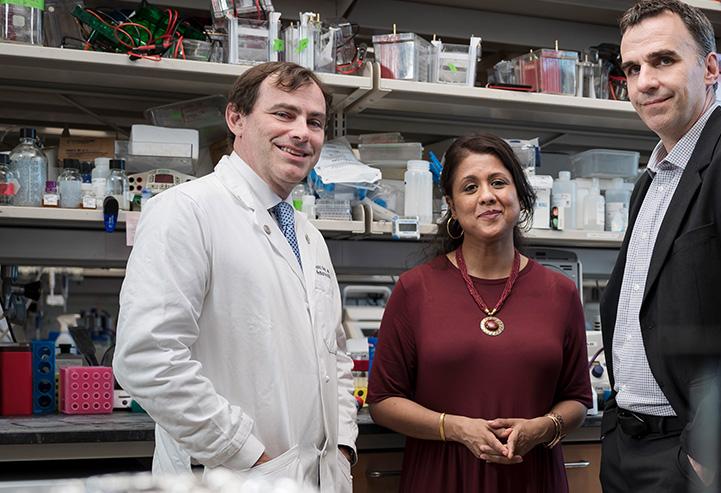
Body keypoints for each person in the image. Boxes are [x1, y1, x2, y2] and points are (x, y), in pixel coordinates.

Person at [114, 62, 358, 491]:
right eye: (284, 114)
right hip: (229, 476)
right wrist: (248, 456)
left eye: (314, 121)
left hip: (316, 478)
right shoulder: (185, 210)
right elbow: (148, 358)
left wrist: (341, 448)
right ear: (236, 119)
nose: (302, 132)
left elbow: (334, 357)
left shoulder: (308, 235)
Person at [599, 1, 721, 492]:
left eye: (663, 60)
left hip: (692, 455)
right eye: (632, 68)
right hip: (627, 445)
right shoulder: (651, 181)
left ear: (710, 68)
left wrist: (703, 455)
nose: (644, 81)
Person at [367, 134, 592, 492]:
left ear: (519, 195)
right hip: (442, 477)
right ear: (453, 207)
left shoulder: (559, 292)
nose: (487, 195)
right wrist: (455, 427)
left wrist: (542, 428)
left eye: (498, 182)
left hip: (532, 476)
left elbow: (578, 399)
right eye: (469, 187)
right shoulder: (416, 289)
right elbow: (382, 401)